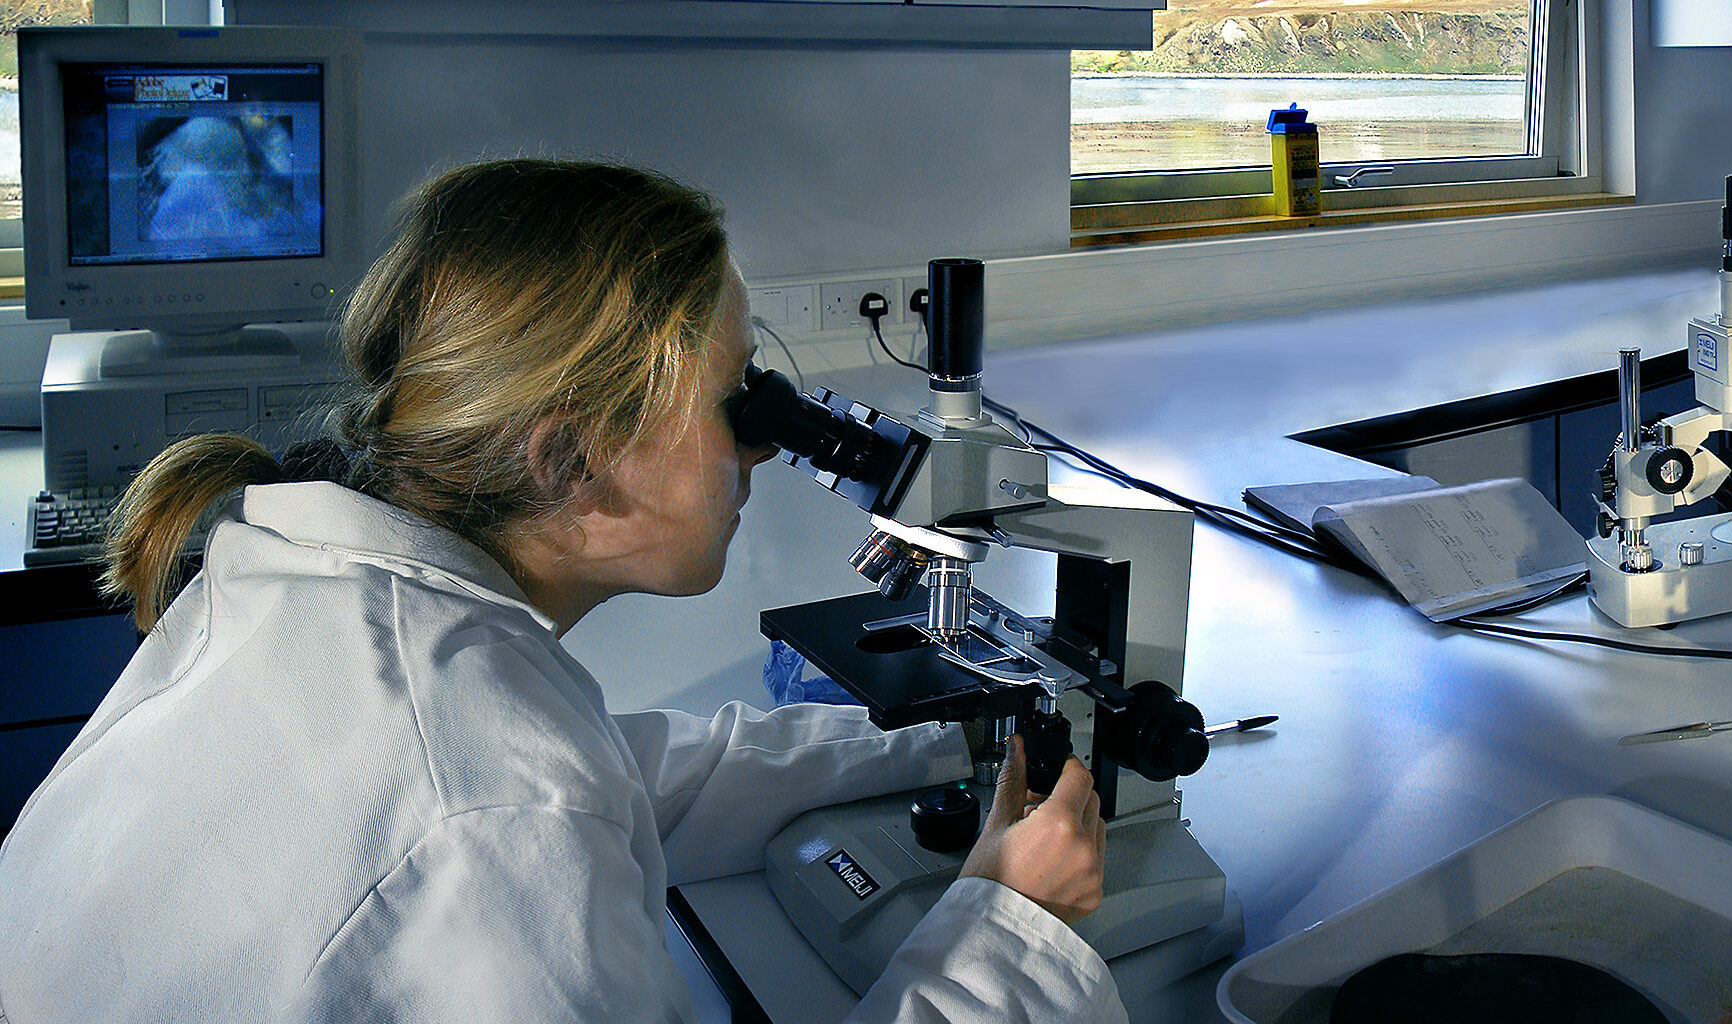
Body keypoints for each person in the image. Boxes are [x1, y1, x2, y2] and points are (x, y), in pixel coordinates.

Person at [0, 159, 1124, 1023]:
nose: (769, 446)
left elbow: (620, 771)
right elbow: (530, 801)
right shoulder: (494, 806)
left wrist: (932, 749)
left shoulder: (303, 588)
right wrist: (1010, 929)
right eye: (738, 399)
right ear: (566, 460)